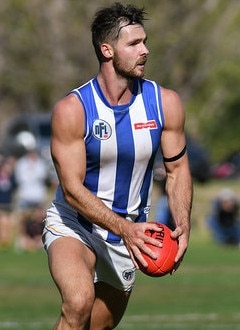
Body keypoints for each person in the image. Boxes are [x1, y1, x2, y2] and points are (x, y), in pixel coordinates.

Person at [42, 3, 192, 329]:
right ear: (107, 50)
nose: (145, 50)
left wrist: (182, 224)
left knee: (97, 326)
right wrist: (125, 228)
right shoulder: (73, 110)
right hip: (76, 224)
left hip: (130, 237)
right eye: (134, 44)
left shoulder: (165, 103)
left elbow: (178, 171)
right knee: (77, 303)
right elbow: (71, 190)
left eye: (145, 41)